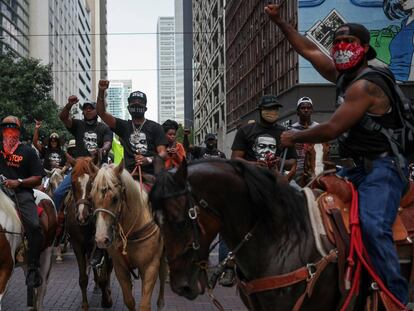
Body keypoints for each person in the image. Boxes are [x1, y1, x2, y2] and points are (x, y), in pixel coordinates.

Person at [265, 3, 409, 305]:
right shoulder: (342, 74)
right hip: (354, 168)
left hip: (384, 170)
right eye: (338, 43)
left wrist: (294, 136)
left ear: (366, 48)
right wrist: (280, 21)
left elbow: (331, 129)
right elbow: (307, 49)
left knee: (372, 226)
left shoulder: (367, 85)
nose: (342, 48)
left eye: (350, 43)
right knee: (307, 205)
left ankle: (396, 298)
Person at [53, 96, 113, 267]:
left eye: (91, 108)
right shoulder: (78, 125)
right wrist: (70, 104)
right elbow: (63, 117)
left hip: (97, 168)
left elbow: (108, 143)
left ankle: (113, 230)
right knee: (57, 193)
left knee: (110, 196)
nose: (87, 110)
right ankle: (58, 230)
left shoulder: (103, 128)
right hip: (78, 167)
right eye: (85, 108)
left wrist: (102, 149)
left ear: (96, 111)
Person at [0, 116, 45, 288]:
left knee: (34, 225)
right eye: (6, 127)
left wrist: (19, 182)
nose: (9, 130)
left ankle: (33, 266)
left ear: (19, 131)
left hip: (20, 193)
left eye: (13, 127)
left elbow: (38, 178)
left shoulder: (27, 151)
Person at [96, 80, 167, 176]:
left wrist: (148, 159)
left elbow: (163, 153)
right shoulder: (124, 126)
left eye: (140, 102)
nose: (136, 103)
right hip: (128, 176)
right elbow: (101, 113)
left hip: (151, 175)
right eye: (133, 101)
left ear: (145, 107)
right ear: (128, 106)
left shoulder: (156, 127)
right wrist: (101, 91)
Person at [231, 94, 297, 179]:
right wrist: (254, 165)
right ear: (260, 110)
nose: (273, 112)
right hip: (250, 179)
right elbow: (234, 159)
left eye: (275, 108)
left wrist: (280, 162)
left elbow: (293, 162)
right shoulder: (245, 131)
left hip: (276, 180)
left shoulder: (285, 133)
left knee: (299, 191)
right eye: (269, 108)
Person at [290, 97, 329, 187]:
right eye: (303, 108)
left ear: (312, 110)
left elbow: (325, 149)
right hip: (297, 169)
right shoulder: (291, 130)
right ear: (297, 111)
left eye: (308, 108)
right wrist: (293, 145)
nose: (306, 110)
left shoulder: (318, 128)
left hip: (314, 168)